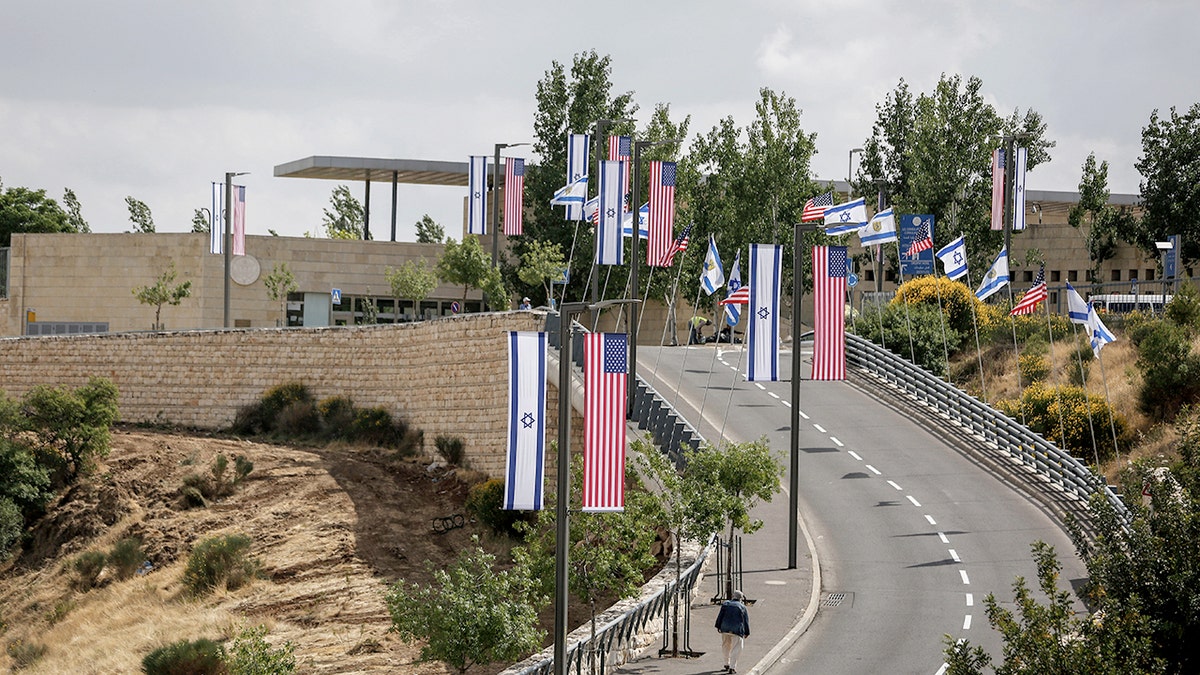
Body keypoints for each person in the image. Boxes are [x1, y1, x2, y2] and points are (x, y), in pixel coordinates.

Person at [715, 589, 750, 673]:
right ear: (740, 599)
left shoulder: (726, 604)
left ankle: (726, 663)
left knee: (725, 646)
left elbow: (720, 616)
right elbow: (745, 621)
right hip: (737, 630)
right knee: (736, 648)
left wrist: (718, 626)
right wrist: (747, 632)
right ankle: (732, 667)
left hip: (725, 628)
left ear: (733, 596)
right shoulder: (742, 607)